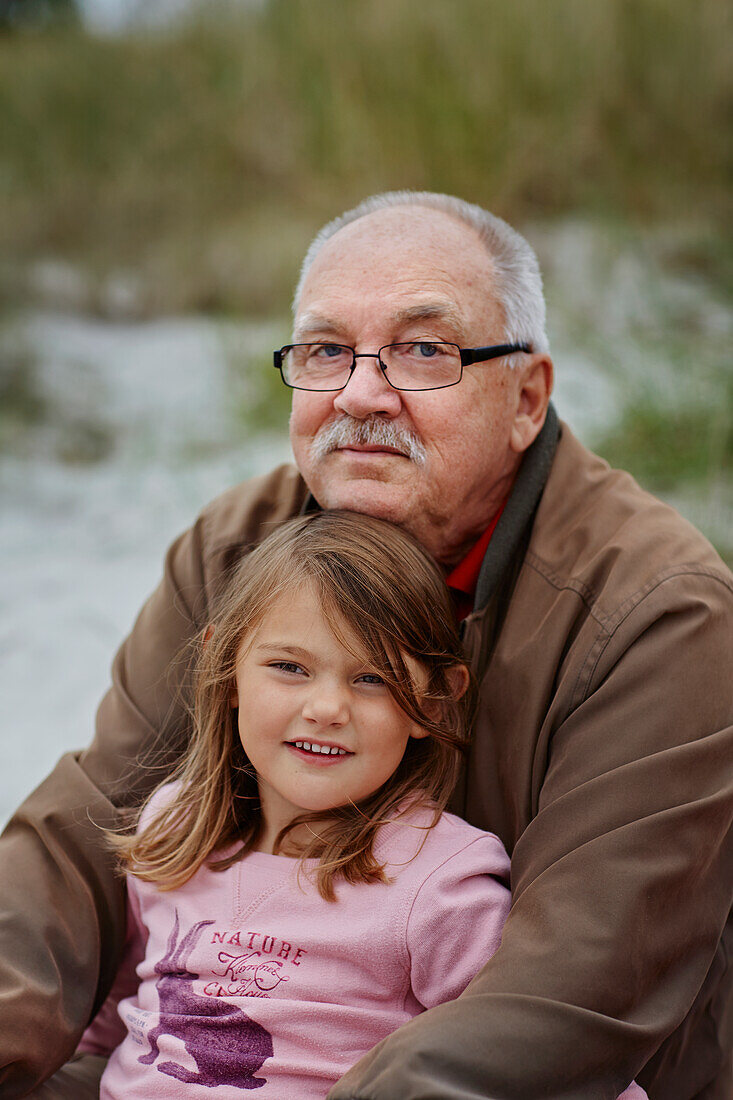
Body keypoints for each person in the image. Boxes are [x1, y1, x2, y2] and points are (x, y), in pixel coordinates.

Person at [1, 190, 731, 1100]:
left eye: (423, 350)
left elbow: (572, 992)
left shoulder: (657, 610)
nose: (358, 392)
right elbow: (85, 839)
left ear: (526, 397)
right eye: (324, 351)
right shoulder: (238, 547)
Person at [41, 511, 645, 1100]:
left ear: (432, 703)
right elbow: (120, 1008)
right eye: (289, 668)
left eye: (372, 679)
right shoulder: (173, 827)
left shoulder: (437, 882)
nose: (327, 707)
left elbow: (537, 1051)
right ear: (225, 672)